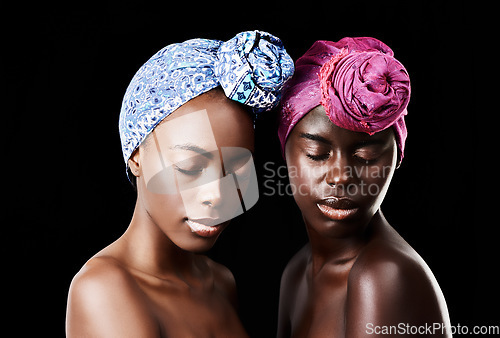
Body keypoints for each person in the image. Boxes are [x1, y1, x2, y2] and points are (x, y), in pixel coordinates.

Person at [66, 30, 293, 337]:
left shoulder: (220, 282)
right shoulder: (104, 289)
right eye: (190, 168)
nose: (218, 195)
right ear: (135, 156)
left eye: (237, 170)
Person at [276, 37, 451, 337]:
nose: (341, 177)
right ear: (286, 151)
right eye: (317, 154)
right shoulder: (296, 272)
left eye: (366, 155)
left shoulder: (383, 276)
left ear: (396, 157)